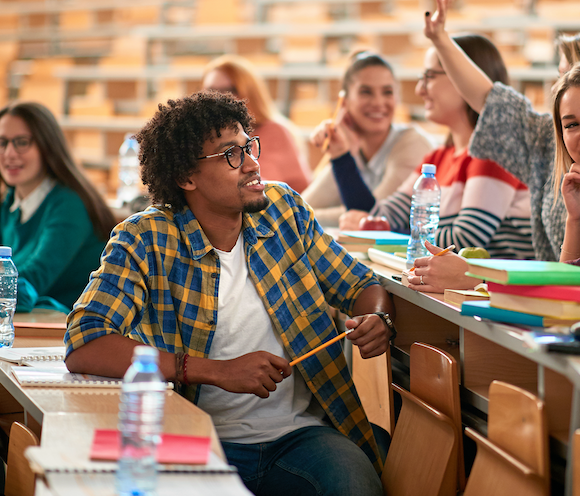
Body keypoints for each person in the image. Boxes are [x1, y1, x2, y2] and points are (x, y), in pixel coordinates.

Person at [64, 90, 396, 496]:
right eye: (230, 155)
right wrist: (214, 370)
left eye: (249, 147)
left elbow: (362, 285)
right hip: (193, 436)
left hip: (300, 437)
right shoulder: (145, 238)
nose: (253, 163)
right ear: (187, 177)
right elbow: (86, 341)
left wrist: (378, 317)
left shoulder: (285, 211)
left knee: (354, 483)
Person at [337, 35, 535, 292]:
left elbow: (465, 241)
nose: (420, 89)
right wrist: (341, 155)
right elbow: (382, 217)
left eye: (430, 77)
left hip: (503, 299)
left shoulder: (495, 154)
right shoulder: (437, 158)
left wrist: (392, 232)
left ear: (463, 75)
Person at [419, 0, 580, 270]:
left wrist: (474, 277)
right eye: (560, 77)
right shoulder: (549, 141)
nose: (562, 88)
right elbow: (491, 100)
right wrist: (440, 39)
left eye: (569, 73)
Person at [0, 101, 115, 312]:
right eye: (2, 142)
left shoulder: (69, 205)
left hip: (71, 332)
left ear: (47, 146)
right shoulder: (7, 203)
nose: (9, 153)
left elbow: (27, 286)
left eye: (22, 142)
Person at [302, 50, 433, 227]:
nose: (378, 102)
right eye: (366, 92)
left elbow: (373, 216)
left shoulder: (412, 143)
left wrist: (304, 217)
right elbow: (303, 206)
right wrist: (345, 151)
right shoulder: (351, 147)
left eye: (387, 92)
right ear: (344, 102)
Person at [202, 55, 312, 193]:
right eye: (211, 91)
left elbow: (303, 191)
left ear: (250, 93)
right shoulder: (202, 137)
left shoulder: (275, 131)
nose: (219, 99)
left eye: (230, 90)